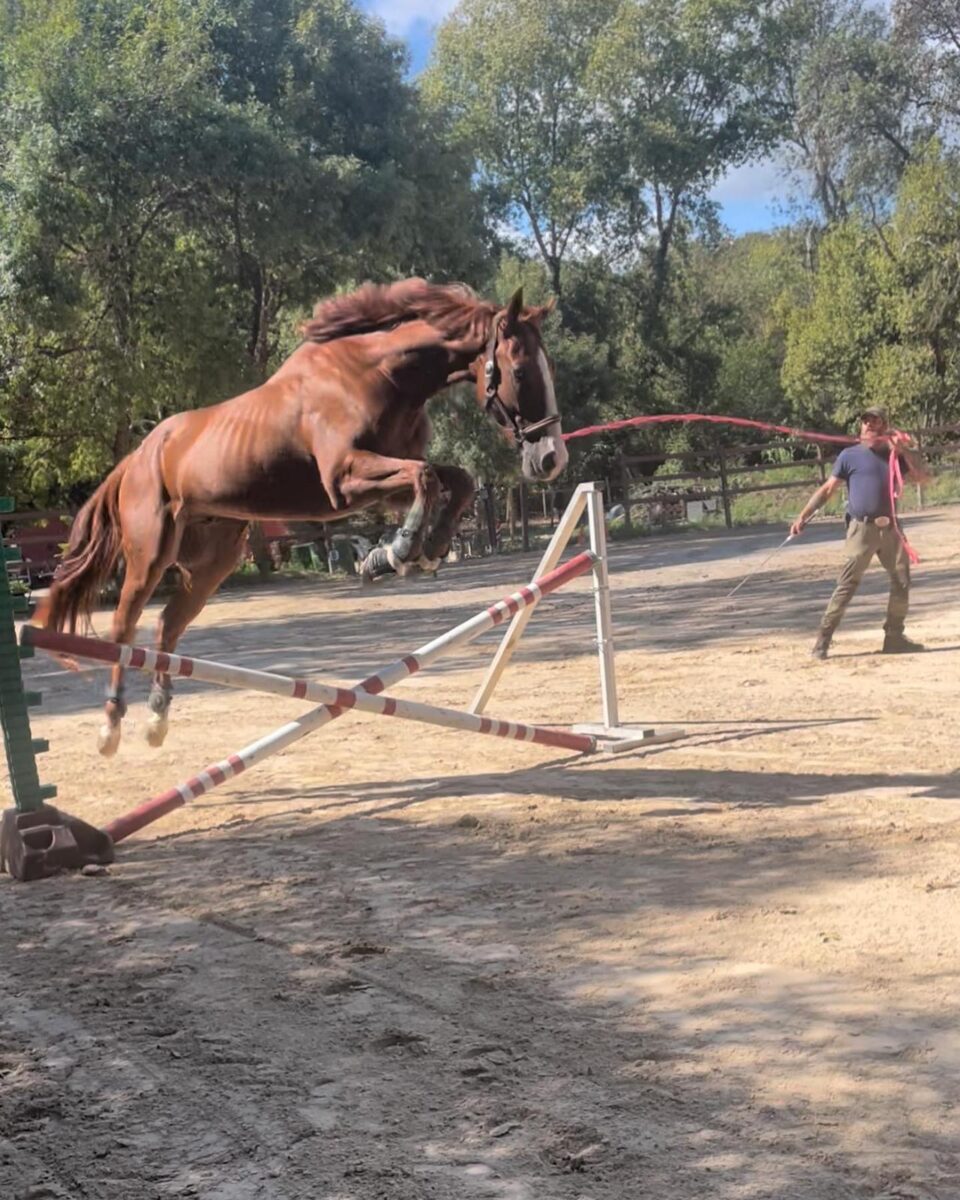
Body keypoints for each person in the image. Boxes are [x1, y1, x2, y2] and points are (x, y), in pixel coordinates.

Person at [789, 406, 932, 659]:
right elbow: (828, 489)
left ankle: (894, 637)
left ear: (884, 427)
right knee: (846, 585)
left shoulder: (894, 456)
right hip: (860, 528)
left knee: (901, 582)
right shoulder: (849, 455)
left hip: (891, 528)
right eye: (866, 421)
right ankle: (823, 640)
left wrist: (903, 450)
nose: (869, 425)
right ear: (860, 427)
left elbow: (923, 478)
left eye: (875, 422)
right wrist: (804, 515)